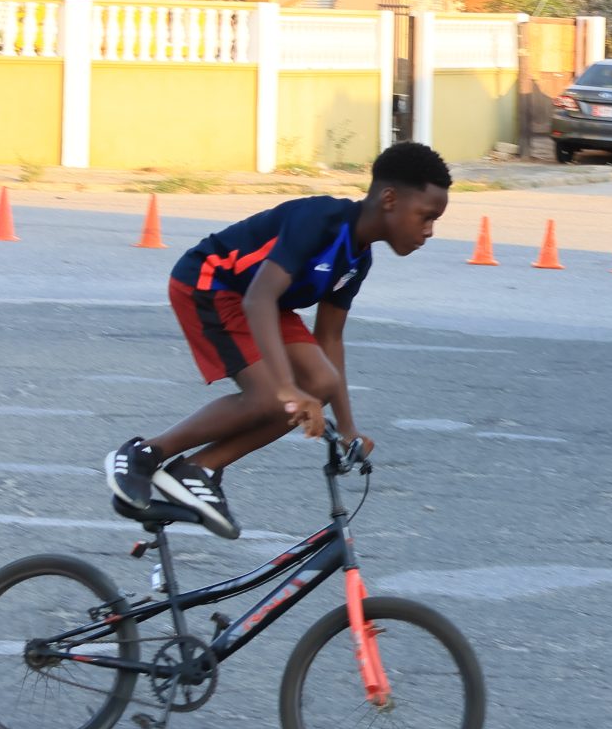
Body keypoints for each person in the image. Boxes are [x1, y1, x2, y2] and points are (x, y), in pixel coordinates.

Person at [106, 141, 454, 540]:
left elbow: (329, 338)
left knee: (320, 384)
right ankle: (144, 454)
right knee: (272, 397)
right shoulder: (321, 219)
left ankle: (197, 469)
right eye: (426, 217)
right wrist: (286, 387)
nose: (429, 231)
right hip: (212, 283)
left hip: (262, 302)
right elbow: (258, 297)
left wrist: (348, 428)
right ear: (389, 199)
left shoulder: (359, 259)